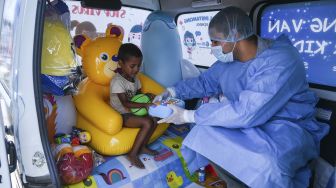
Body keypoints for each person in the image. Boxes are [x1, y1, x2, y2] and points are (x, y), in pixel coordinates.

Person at [154, 6, 329, 188]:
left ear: (235, 35)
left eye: (215, 42)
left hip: (286, 126)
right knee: (202, 132)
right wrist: (172, 91)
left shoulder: (281, 60)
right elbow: (205, 83)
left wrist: (188, 115)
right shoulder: (228, 62)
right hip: (248, 121)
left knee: (267, 164)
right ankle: (229, 181)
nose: (212, 48)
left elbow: (247, 111)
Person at [110, 43, 158, 169]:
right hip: (122, 114)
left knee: (154, 119)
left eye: (138, 66)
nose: (136, 69)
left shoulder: (135, 79)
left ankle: (143, 147)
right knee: (147, 122)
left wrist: (148, 96)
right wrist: (146, 104)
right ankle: (132, 154)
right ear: (120, 63)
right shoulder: (117, 82)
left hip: (134, 111)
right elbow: (125, 103)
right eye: (132, 66)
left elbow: (139, 95)